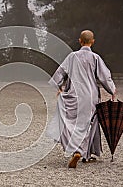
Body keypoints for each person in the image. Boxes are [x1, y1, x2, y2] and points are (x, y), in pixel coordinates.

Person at [47, 30, 116, 168]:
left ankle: (77, 150)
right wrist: (112, 90)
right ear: (93, 41)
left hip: (74, 94)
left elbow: (60, 72)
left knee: (69, 122)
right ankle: (83, 153)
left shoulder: (72, 57)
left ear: (80, 41)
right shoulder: (95, 58)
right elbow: (104, 76)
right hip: (90, 96)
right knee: (88, 123)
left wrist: (59, 87)